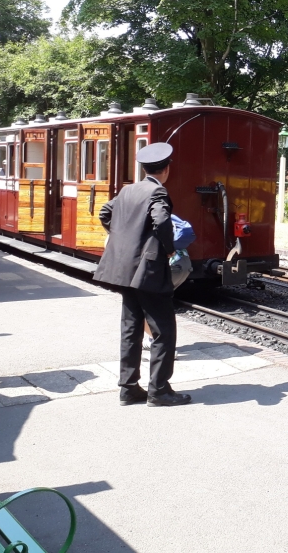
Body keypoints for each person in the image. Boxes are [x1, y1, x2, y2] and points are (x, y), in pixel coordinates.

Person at [94, 142, 191, 407]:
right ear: (166, 169)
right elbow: (161, 221)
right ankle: (159, 391)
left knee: (131, 328)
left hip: (124, 270)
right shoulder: (157, 191)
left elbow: (105, 212)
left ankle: (128, 389)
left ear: (144, 168)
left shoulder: (128, 190)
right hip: (148, 271)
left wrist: (123, 238)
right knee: (163, 331)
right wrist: (169, 249)